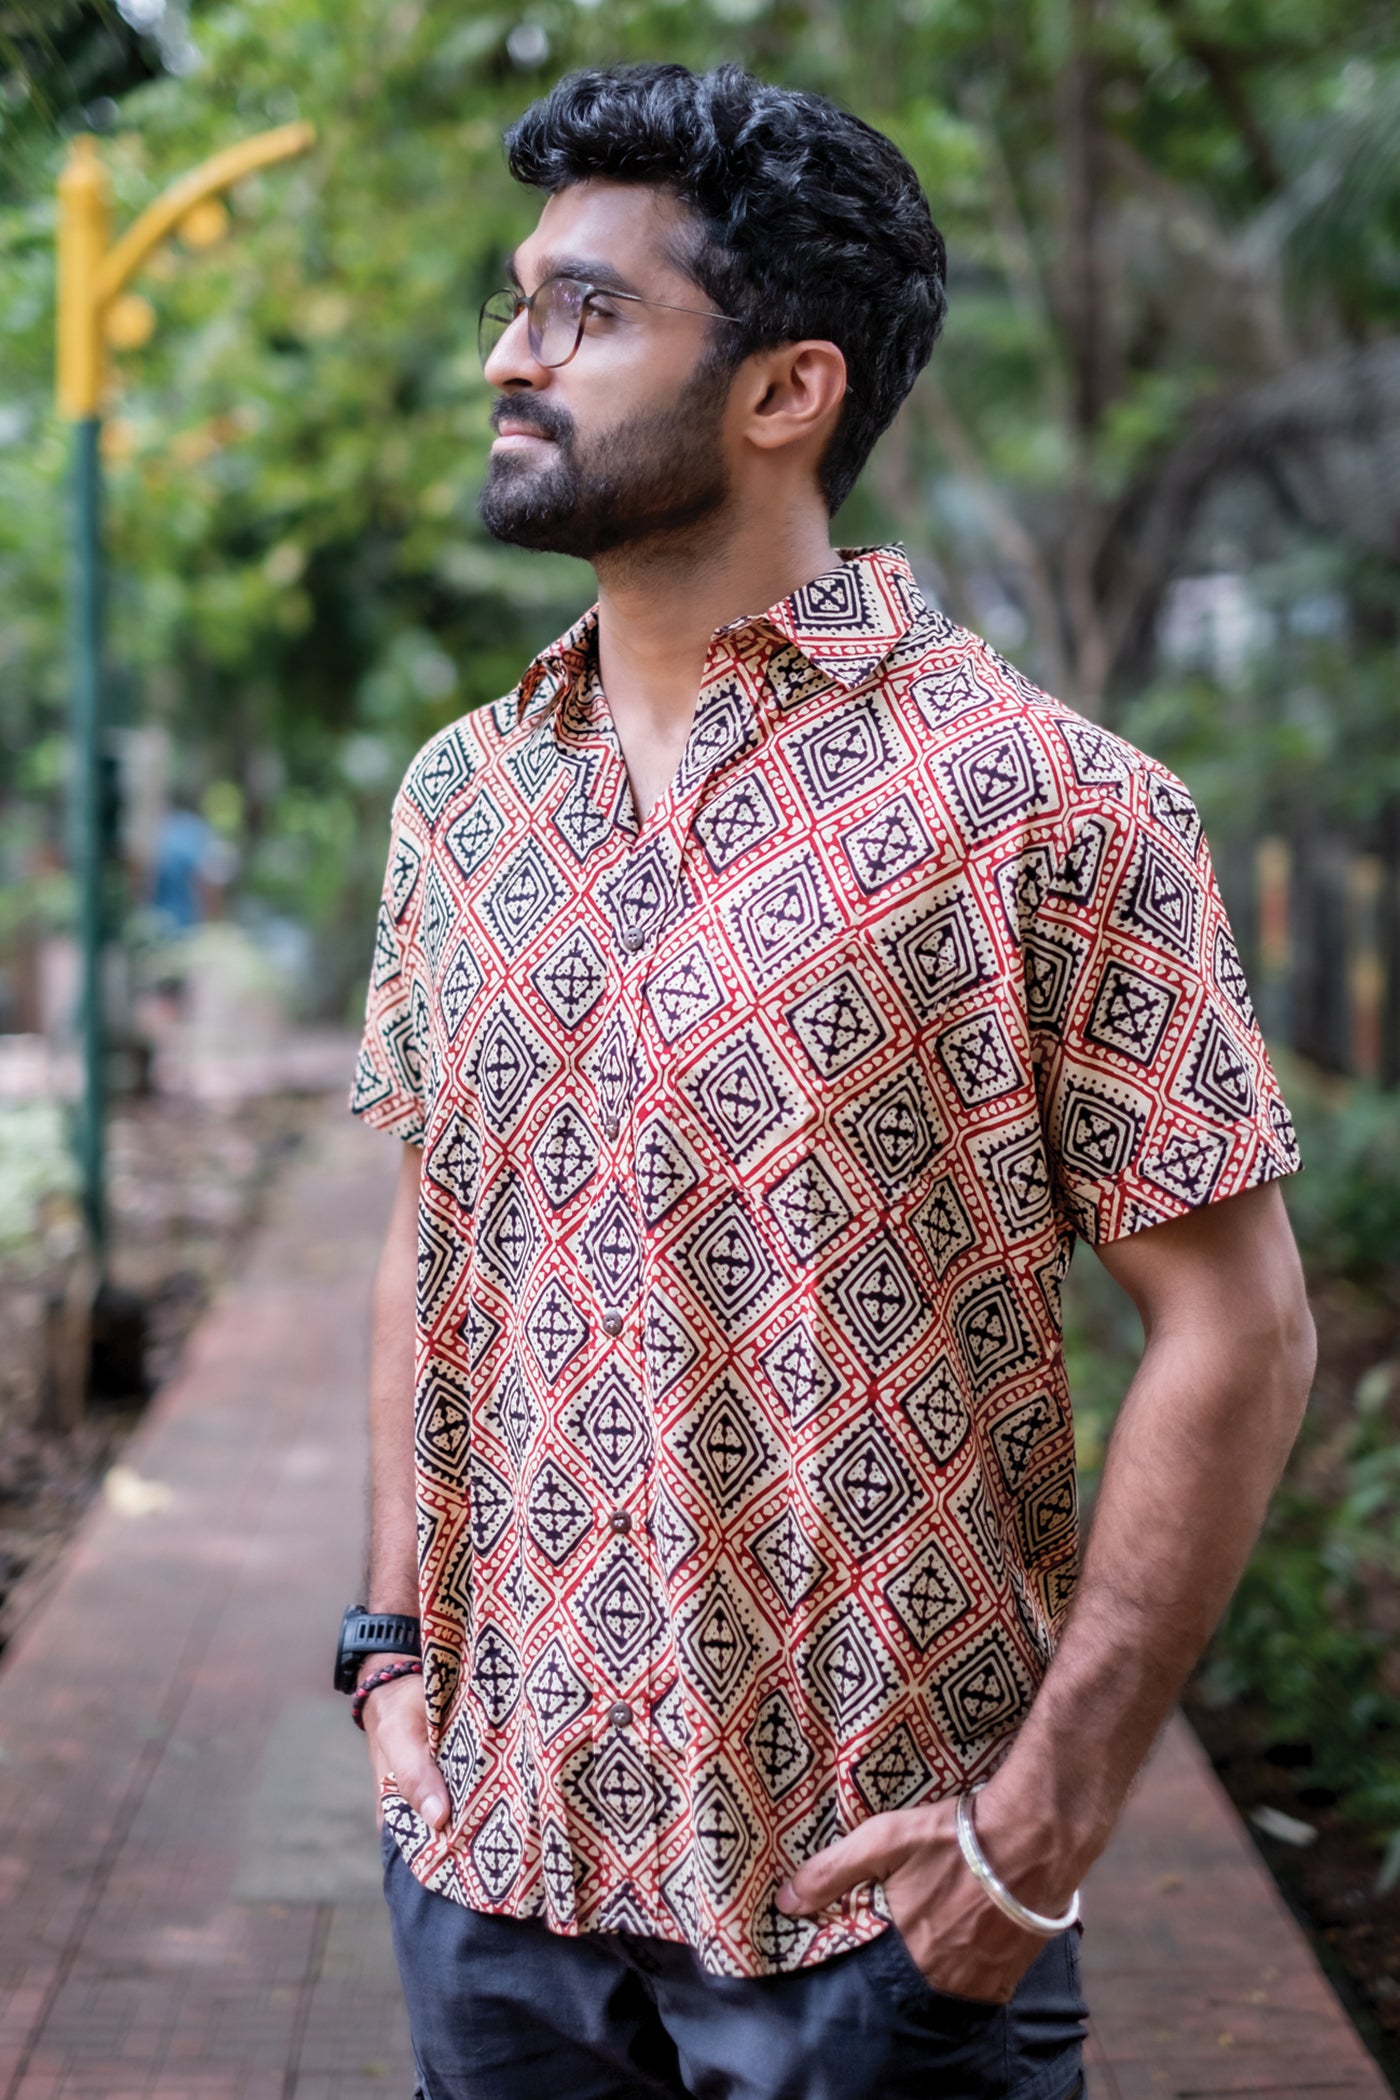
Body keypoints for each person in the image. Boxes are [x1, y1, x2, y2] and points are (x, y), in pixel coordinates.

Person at [341, 61, 1315, 2100]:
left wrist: (1038, 1831)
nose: (507, 357)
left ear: (787, 390)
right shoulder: (463, 800)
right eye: (520, 301)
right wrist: (388, 1658)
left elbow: (1237, 1328)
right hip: (496, 1873)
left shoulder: (1050, 806)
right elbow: (437, 1236)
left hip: (875, 1923)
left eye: (585, 313)